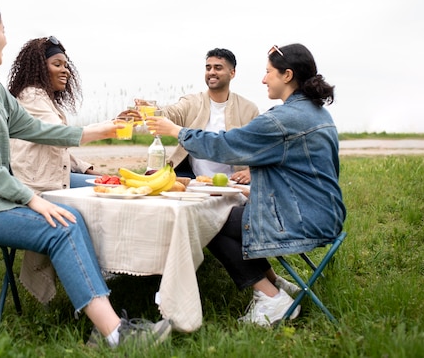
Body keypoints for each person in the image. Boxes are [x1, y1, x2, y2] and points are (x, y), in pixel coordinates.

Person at [0, 0, 171, 347]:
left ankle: (105, 324)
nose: (5, 38)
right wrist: (30, 198)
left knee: (69, 218)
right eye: (2, 30)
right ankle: (116, 335)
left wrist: (99, 131)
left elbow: (33, 128)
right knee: (62, 225)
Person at [146, 43, 346, 326]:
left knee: (208, 220)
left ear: (287, 75)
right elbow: (296, 174)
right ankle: (274, 283)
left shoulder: (283, 119)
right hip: (324, 213)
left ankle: (271, 299)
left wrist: (177, 132)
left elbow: (227, 145)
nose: (264, 79)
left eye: (268, 73)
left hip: (303, 220)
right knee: (222, 216)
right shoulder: (315, 113)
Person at [134, 48, 259, 183]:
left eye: (218, 68)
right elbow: (171, 113)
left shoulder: (249, 109)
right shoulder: (191, 102)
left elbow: (262, 149)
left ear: (232, 73)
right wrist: (153, 109)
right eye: (208, 68)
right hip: (194, 181)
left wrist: (251, 171)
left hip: (235, 183)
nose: (211, 72)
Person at [7, 36, 100, 193]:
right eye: (57, 64)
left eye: (66, 65)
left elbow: (54, 149)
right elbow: (59, 137)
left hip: (47, 177)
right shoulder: (32, 96)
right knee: (102, 194)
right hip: (36, 185)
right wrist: (106, 129)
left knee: (106, 184)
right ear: (40, 68)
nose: (66, 71)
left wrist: (86, 169)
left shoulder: (44, 98)